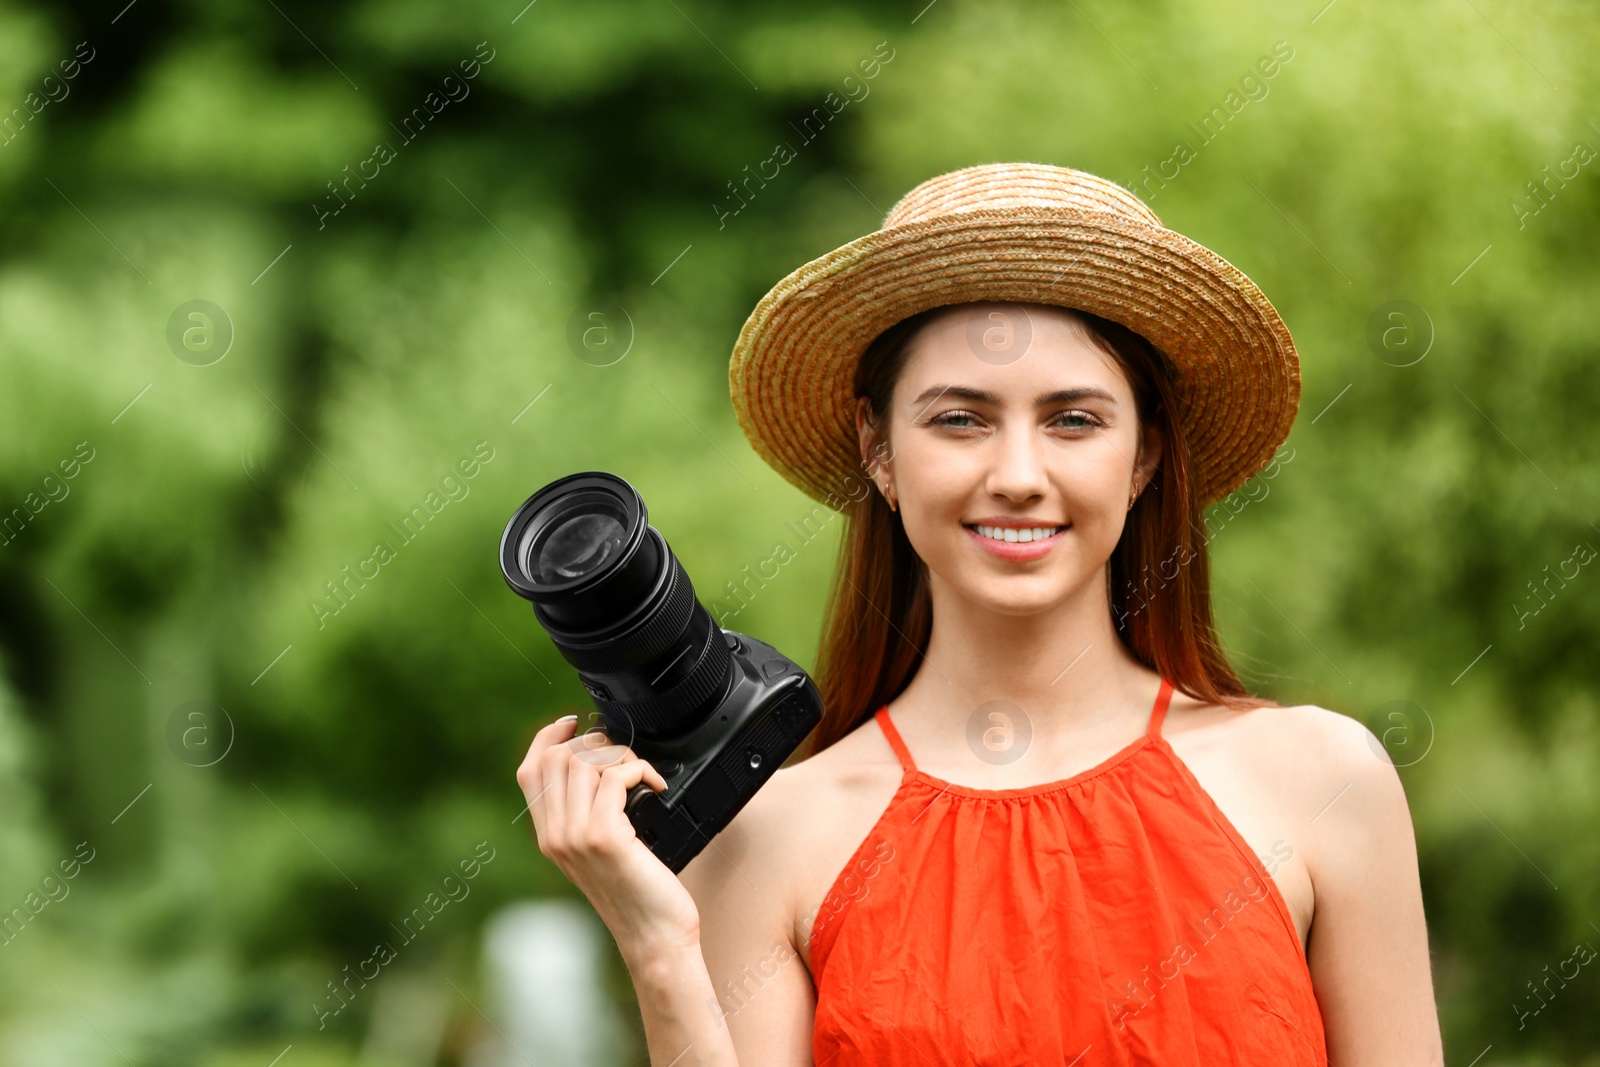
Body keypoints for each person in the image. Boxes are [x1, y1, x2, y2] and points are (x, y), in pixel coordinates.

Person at [516, 162, 1444, 1065]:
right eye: (960, 419)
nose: (1017, 476)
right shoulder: (773, 835)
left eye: (1073, 420)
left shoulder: (1324, 782)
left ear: (1146, 457)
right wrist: (657, 946)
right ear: (879, 450)